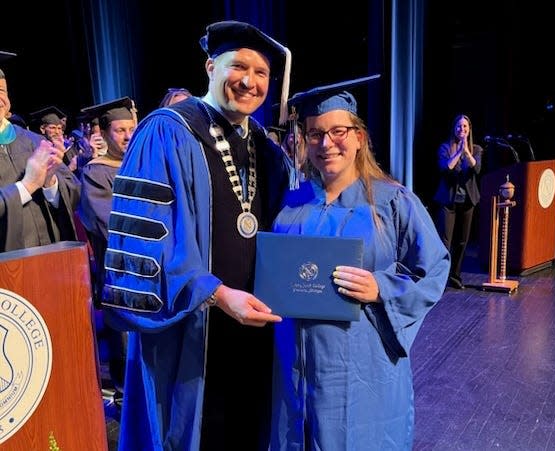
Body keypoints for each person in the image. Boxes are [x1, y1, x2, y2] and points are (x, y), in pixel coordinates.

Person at [100, 21, 292, 450]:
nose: (250, 81)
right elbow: (142, 241)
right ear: (210, 67)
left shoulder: (265, 147)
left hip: (255, 325)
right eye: (237, 66)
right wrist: (218, 294)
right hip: (190, 326)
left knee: (247, 425)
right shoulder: (166, 130)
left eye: (261, 73)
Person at [268, 77, 450, 450]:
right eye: (315, 134)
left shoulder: (392, 201)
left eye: (338, 131)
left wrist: (381, 287)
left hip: (361, 365)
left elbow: (433, 268)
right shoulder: (292, 202)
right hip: (294, 366)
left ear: (359, 137)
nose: (326, 143)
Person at [78, 97, 137, 405]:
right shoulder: (95, 174)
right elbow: (109, 225)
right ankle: (125, 405)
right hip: (119, 274)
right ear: (103, 132)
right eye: (119, 130)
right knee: (124, 346)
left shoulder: (143, 165)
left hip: (150, 275)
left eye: (131, 128)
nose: (128, 136)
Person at [0, 51, 80, 252]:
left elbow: (74, 195)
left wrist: (50, 183)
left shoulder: (35, 142)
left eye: (1, 90)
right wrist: (27, 186)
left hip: (50, 260)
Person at [433, 114, 483, 289]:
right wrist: (458, 152)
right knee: (445, 241)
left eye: (465, 127)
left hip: (468, 201)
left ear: (469, 130)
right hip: (448, 200)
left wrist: (466, 151)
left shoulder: (476, 149)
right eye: (459, 127)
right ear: (454, 129)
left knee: (462, 241)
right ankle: (441, 276)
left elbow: (476, 168)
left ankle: (455, 276)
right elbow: (446, 168)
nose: (462, 130)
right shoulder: (445, 147)